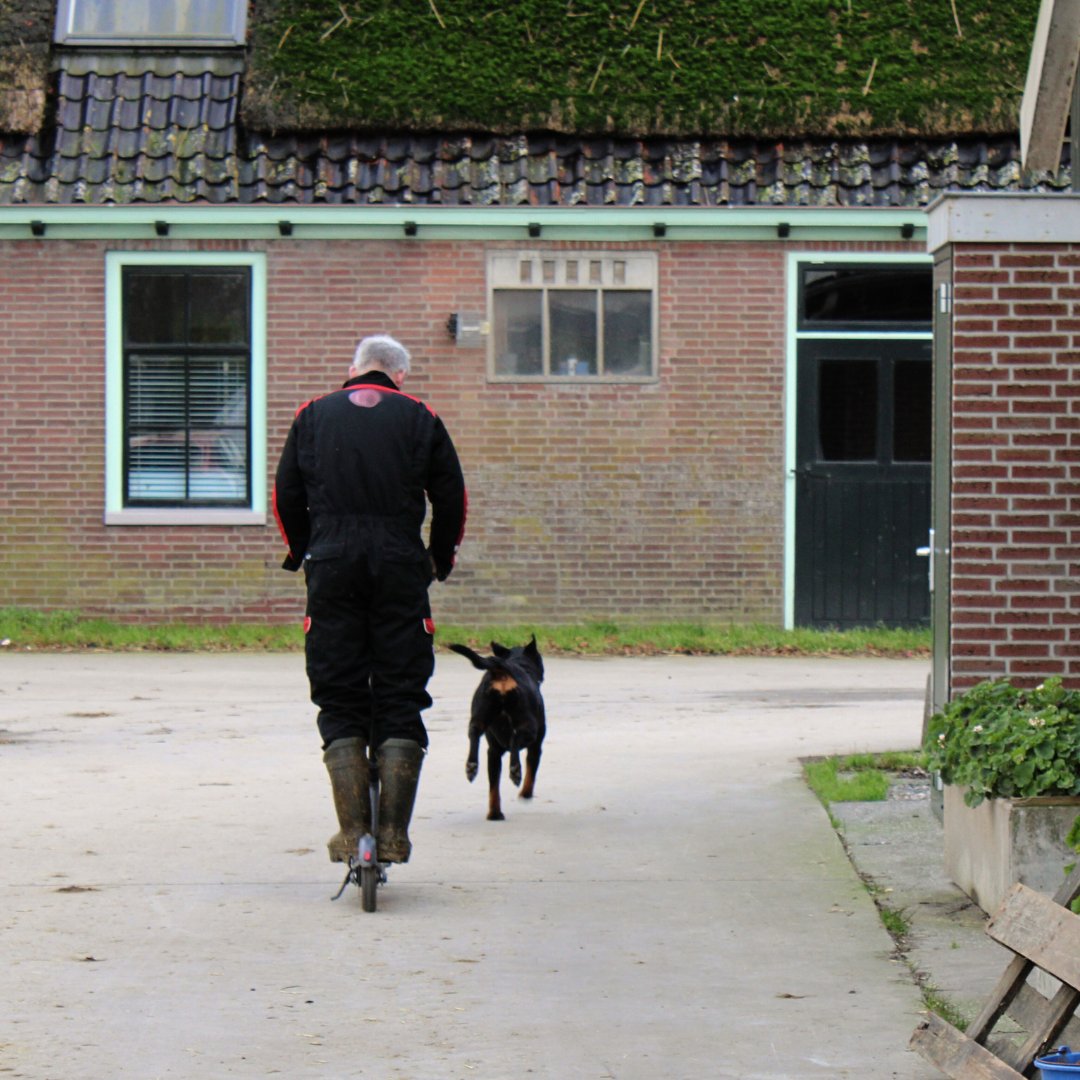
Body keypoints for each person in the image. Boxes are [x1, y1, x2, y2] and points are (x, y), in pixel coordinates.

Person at [273, 334, 467, 866]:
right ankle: (394, 836)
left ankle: (353, 829)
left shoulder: (312, 414)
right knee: (401, 690)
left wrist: (302, 552)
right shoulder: (421, 416)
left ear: (353, 369)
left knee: (338, 691)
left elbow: (286, 491)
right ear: (399, 376)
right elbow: (452, 494)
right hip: (400, 566)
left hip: (332, 565)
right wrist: (438, 559)